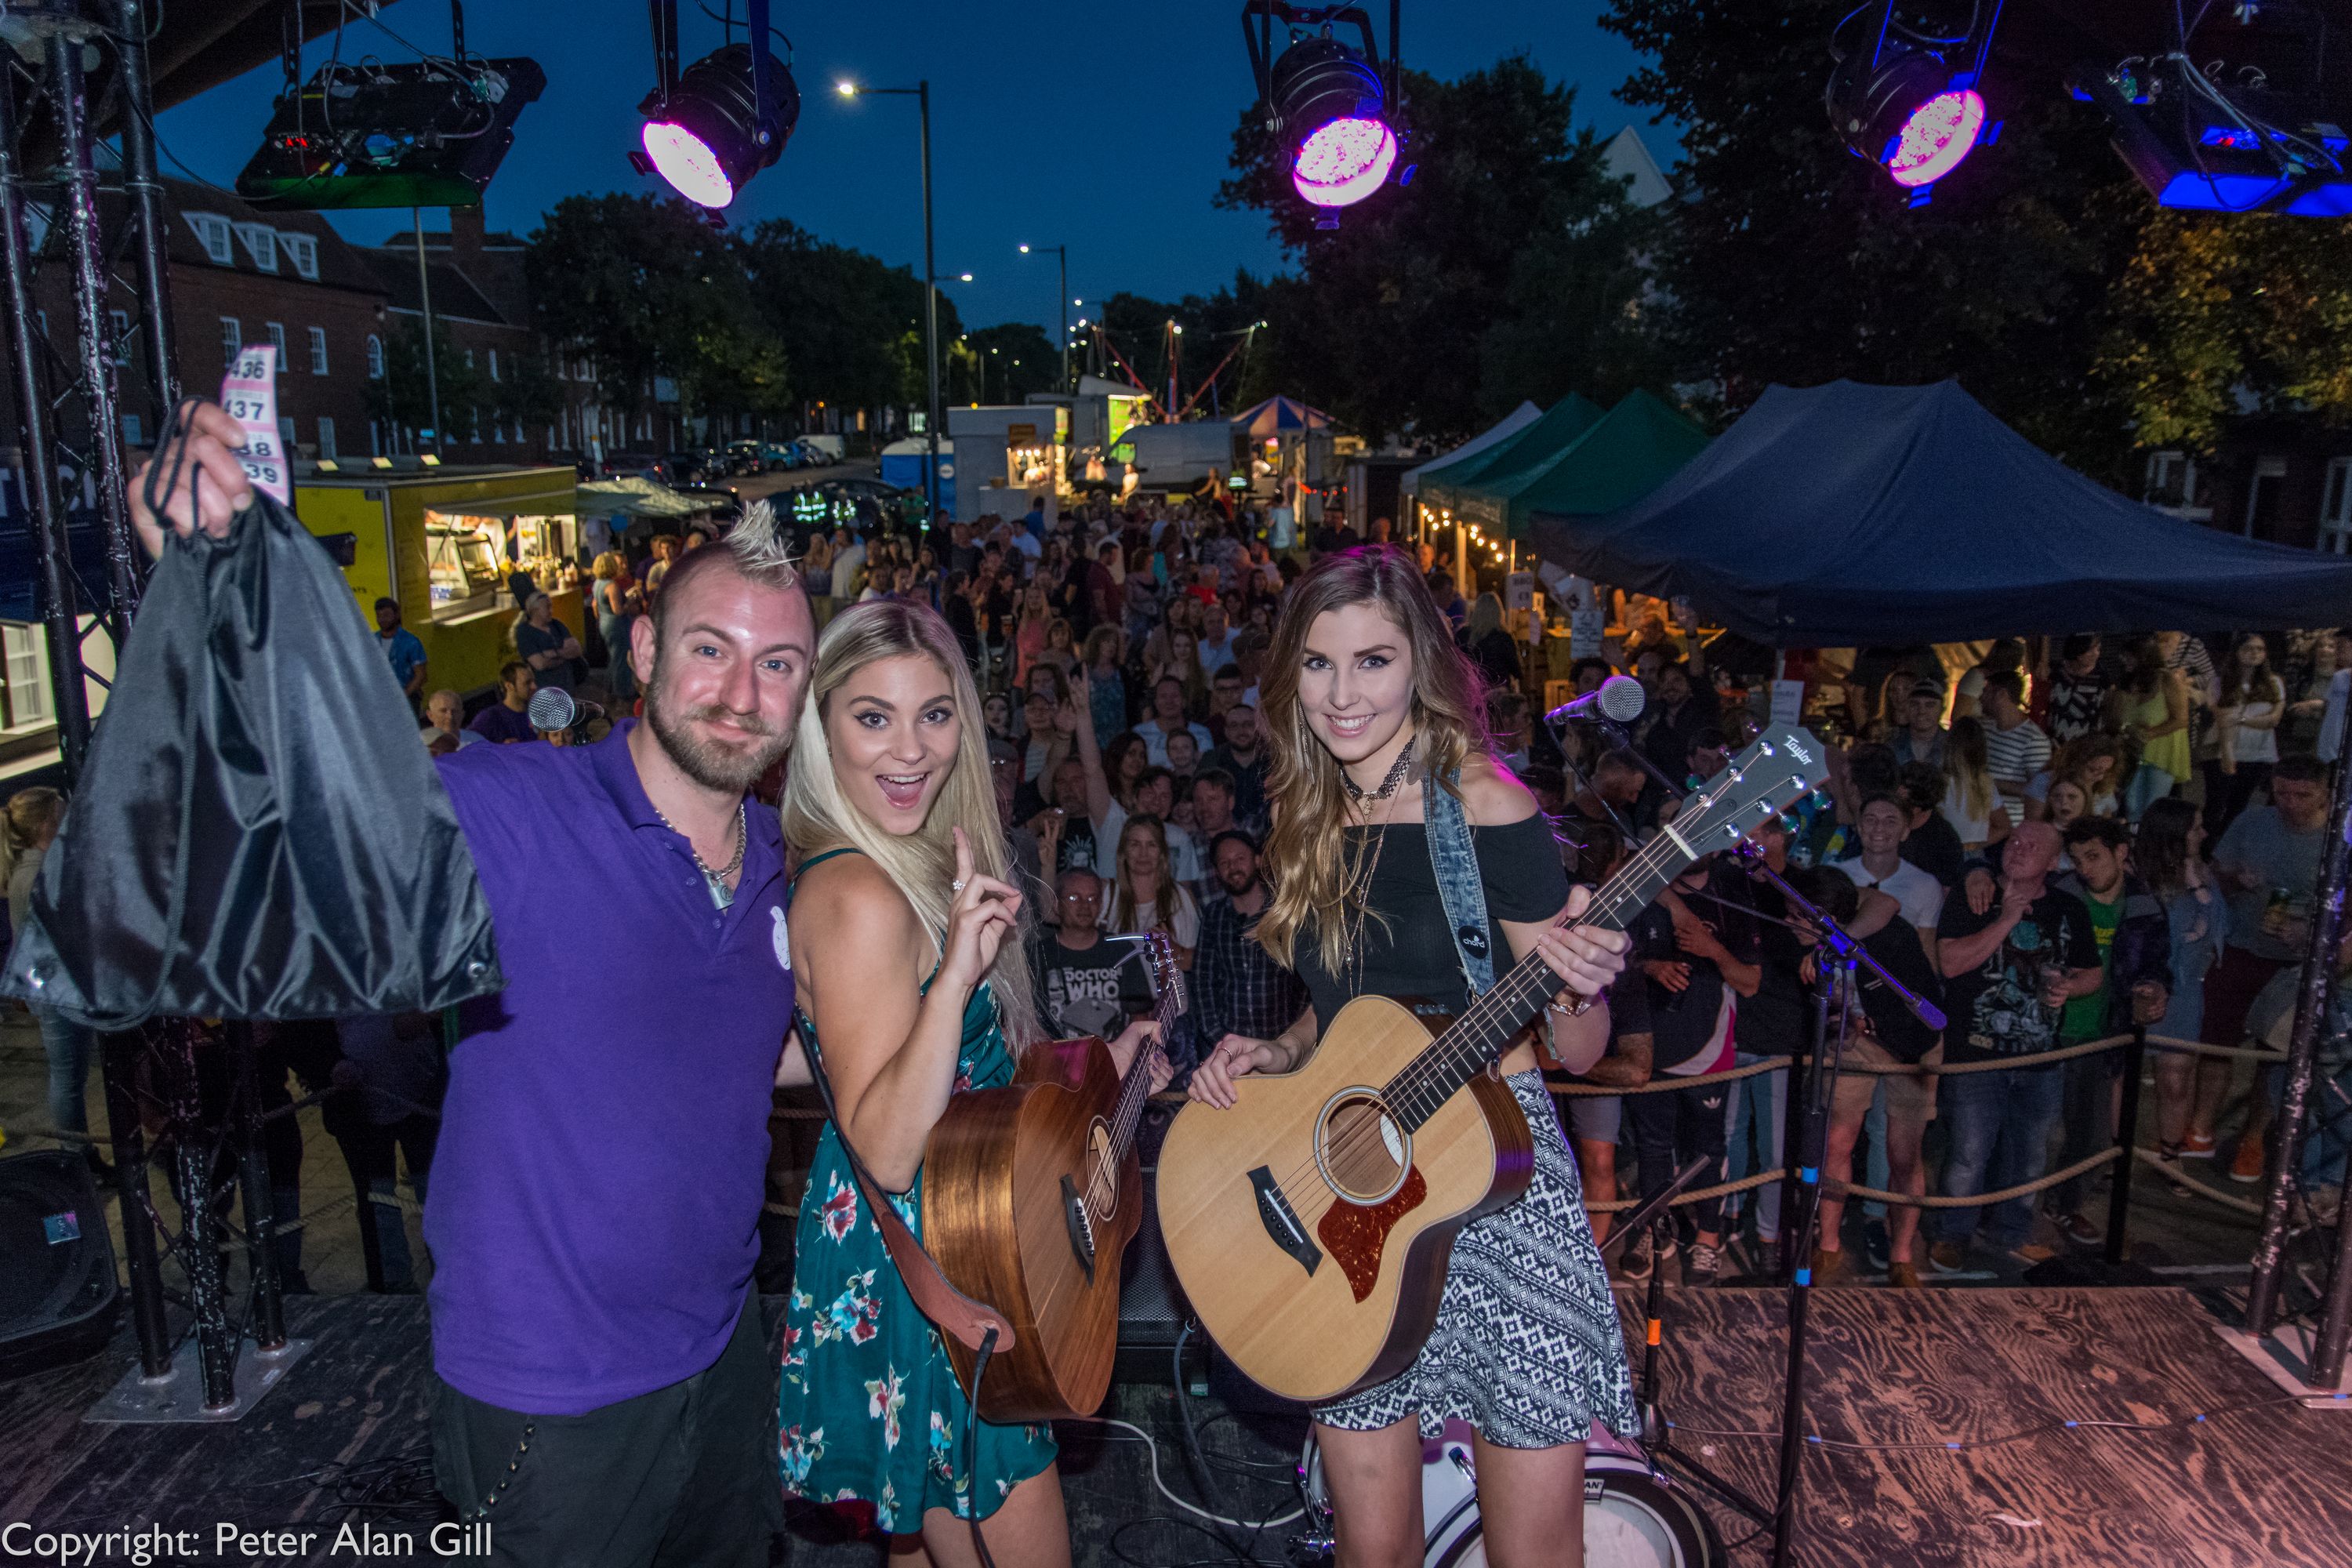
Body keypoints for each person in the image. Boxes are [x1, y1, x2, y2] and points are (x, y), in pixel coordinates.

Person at [132, 405, 818, 1568]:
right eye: (711, 648)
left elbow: (751, 1049)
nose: (742, 690)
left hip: (724, 1358)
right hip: (553, 1393)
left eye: (778, 663)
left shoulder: (774, 868)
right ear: (643, 650)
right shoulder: (517, 807)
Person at [1185, 545, 1634, 1568]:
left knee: (1535, 1553)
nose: (1343, 695)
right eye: (1319, 663)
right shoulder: (1305, 808)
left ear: (1421, 665)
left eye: (1373, 662)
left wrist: (1578, 983)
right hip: (1352, 1198)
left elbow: (1579, 1049)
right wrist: (1277, 1048)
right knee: (1372, 1549)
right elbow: (1344, 1011)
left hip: (1498, 1192)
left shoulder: (1484, 803)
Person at [777, 599, 1167, 1565]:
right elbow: (886, 1145)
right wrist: (956, 974)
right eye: (873, 716)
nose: (911, 749)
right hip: (931, 1264)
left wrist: (1100, 1066)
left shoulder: (900, 859)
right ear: (821, 728)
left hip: (959, 1230)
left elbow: (931, 1066)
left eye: (935, 713)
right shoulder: (860, 891)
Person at [1930, 822, 2103, 1270]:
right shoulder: (1975, 897)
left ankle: (2010, 1233)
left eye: (2032, 846)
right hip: (1975, 1054)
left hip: (2042, 1057)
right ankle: (1953, 1234)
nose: (2019, 849)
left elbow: (2092, 972)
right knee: (1969, 1154)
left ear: (2053, 862)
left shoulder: (2069, 908)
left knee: (2029, 1156)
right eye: (2014, 841)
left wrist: (2070, 988)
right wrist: (2006, 919)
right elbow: (1950, 963)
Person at [1789, 869, 1944, 1287]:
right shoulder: (1811, 948)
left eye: (1796, 915)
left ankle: (1902, 1255)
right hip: (1857, 1036)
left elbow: (1918, 1021)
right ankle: (1829, 1247)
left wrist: (1868, 1023)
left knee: (1903, 1153)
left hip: (1910, 1040)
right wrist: (1844, 1024)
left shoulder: (1889, 939)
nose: (1788, 922)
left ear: (1823, 916)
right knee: (1837, 1142)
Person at [2195, 753, 2332, 1181]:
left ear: (2325, 794)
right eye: (2282, 793)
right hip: (2240, 948)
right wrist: (2235, 879)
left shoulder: (2339, 838)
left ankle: (2253, 1140)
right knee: (2217, 1041)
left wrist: (2310, 930)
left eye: (2302, 795)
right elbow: (2216, 875)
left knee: (2275, 1056)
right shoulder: (2253, 821)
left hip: (2294, 966)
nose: (2290, 803)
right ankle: (2200, 1130)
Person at [1625, 854, 1760, 1284]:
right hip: (1646, 1044)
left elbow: (1750, 983)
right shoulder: (1642, 886)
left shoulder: (1731, 896)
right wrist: (1651, 966)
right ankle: (1654, 1232)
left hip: (1708, 1048)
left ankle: (1707, 1239)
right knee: (1652, 1146)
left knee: (1707, 1148)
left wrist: (1711, 949)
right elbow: (1615, 961)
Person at [2043, 816, 2171, 1244]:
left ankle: (2064, 1205)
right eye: (2077, 858)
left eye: (2094, 856)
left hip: (2102, 1034)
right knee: (2030, 1133)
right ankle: (2007, 1213)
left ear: (2121, 853)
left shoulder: (2144, 906)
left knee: (2095, 1139)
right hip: (2047, 1031)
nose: (2085, 868)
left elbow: (2156, 965)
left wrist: (2154, 989)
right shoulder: (2057, 895)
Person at [5, 787, 98, 1171]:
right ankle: (77, 1158)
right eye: (61, 812)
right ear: (47, 823)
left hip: (51, 988)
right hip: (59, 991)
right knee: (68, 1078)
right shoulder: (39, 873)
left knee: (68, 1076)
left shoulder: (28, 870)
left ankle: (79, 1156)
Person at [2134, 798, 2227, 1181]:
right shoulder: (2141, 878)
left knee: (2176, 1079)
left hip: (2186, 990)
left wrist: (2199, 883)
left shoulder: (2201, 870)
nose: (2203, 834)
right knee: (2119, 1075)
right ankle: (2112, 1153)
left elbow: (2220, 927)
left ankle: (2171, 1155)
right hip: (2143, 986)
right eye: (2195, 828)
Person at [1191, 829, 1308, 1049]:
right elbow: (1202, 982)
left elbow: (1305, 978)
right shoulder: (1214, 916)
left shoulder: (1283, 913)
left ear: (1257, 860)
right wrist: (1219, 1039)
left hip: (1282, 1043)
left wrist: (1294, 1037)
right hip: (1228, 1045)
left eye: (1240, 859)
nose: (1233, 867)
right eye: (1224, 863)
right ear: (1217, 872)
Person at [1833, 793, 1945, 958]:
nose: (1879, 828)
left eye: (1890, 822)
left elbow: (1926, 951)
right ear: (1859, 827)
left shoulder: (1925, 885)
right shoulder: (1835, 875)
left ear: (1905, 832)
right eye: (1870, 820)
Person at [2208, 633, 2285, 840]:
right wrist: (2228, 754)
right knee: (2215, 806)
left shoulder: (2274, 682)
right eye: (2249, 648)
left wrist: (2240, 719)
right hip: (2225, 753)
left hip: (2259, 754)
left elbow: (2273, 719)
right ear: (2237, 652)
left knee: (2239, 806)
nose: (2255, 653)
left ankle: (2227, 846)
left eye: (2260, 649)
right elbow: (2223, 719)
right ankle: (2207, 847)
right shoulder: (2220, 682)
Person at [2119, 636, 2192, 820]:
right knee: (2131, 804)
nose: (2124, 660)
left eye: (2129, 656)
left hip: (2161, 754)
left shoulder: (2166, 679)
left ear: (2144, 657)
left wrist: (2148, 734)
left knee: (2152, 806)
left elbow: (2181, 719)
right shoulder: (2132, 682)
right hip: (2136, 752)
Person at [1979, 671, 2050, 832]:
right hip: (1979, 821)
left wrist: (1990, 784)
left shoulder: (2033, 740)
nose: (1980, 697)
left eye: (1986, 691)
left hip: (2009, 827)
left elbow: (2039, 790)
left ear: (2001, 695)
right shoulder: (1984, 728)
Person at [1939, 717, 2009, 852]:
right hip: (1973, 857)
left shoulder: (1940, 785)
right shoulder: (1986, 784)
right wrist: (1974, 847)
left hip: (1945, 857)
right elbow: (2004, 827)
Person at [1201, 701, 1270, 833]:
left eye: (1248, 724)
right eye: (1234, 726)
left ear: (1258, 728)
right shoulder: (1212, 760)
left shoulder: (1272, 760)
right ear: (1226, 731)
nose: (1241, 731)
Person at [513, 591, 583, 696]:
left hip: (567, 686)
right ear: (535, 610)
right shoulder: (525, 633)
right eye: (547, 607)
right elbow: (540, 664)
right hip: (545, 691)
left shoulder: (557, 625)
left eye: (551, 607)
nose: (551, 611)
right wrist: (564, 656)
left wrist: (553, 653)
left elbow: (577, 650)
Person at [1133, 675, 1211, 768]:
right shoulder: (1140, 733)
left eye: (1175, 696)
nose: (1169, 701)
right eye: (1163, 696)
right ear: (1156, 703)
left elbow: (1208, 769)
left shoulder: (1202, 734)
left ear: (1184, 701)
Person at [2045, 634, 2107, 746]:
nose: (2096, 654)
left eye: (2098, 649)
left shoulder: (2102, 677)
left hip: (2086, 743)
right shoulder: (2056, 672)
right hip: (2054, 740)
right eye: (2090, 650)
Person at [467, 659, 539, 745]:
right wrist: (500, 749)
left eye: (534, 681)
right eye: (527, 683)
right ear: (509, 686)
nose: (534, 687)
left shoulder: (538, 713)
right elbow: (467, 744)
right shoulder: (491, 717)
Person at [376, 597, 427, 711]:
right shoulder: (372, 641)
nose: (382, 619)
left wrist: (404, 695)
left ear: (397, 615)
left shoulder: (410, 642)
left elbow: (421, 675)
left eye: (386, 615)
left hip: (407, 699)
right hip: (379, 697)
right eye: (379, 616)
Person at [1887, 681, 1947, 769]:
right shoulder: (1891, 743)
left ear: (1942, 710)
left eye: (1930, 705)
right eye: (1915, 704)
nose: (1921, 711)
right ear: (1906, 708)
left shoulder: (1952, 747)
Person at [420, 688, 485, 750]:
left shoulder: (477, 742)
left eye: (454, 711)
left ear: (462, 715)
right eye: (443, 711)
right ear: (430, 715)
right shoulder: (420, 747)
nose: (450, 716)